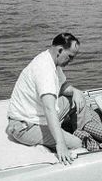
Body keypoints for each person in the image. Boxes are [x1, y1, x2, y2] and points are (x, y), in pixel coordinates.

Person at [7, 33, 88, 165]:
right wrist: (60, 144)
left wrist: (75, 91)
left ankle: (80, 132)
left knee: (77, 99)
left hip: (38, 114)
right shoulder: (44, 69)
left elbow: (62, 87)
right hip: (25, 126)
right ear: (60, 50)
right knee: (76, 144)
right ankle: (74, 140)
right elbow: (49, 108)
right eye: (70, 57)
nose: (71, 61)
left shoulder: (52, 61)